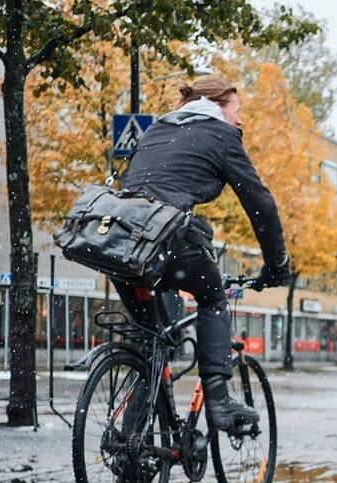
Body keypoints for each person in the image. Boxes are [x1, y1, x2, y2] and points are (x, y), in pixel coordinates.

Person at [115, 75, 290, 431]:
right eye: (237, 111)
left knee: (154, 342)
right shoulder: (220, 135)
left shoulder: (157, 129)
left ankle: (132, 447)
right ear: (220, 105)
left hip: (120, 245)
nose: (240, 120)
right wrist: (276, 264)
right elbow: (261, 206)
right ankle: (219, 402)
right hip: (164, 238)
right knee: (211, 298)